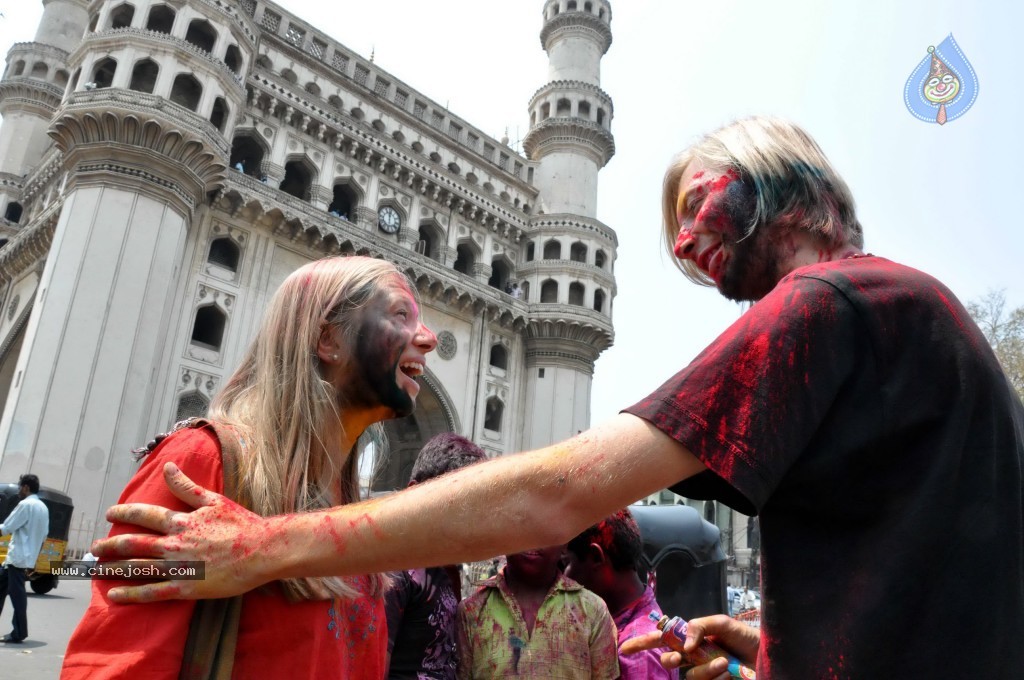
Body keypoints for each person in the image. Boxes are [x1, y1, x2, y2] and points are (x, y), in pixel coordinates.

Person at [91, 117, 1024, 679]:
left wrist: (263, 545)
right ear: (321, 335)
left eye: (700, 204)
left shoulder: (828, 303)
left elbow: (562, 492)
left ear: (782, 181)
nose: (687, 251)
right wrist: (776, 639)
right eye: (674, 235)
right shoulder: (917, 310)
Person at [61, 255, 437, 679]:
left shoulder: (348, 505)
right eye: (401, 315)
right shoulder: (198, 467)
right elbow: (117, 663)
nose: (428, 338)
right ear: (328, 340)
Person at [385, 433, 487, 680]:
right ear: (416, 493)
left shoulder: (443, 567)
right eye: (456, 506)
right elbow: (375, 664)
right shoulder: (395, 570)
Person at [456, 544, 619, 679]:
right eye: (522, 525)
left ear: (564, 545)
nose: (532, 539)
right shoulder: (472, 611)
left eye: (544, 529)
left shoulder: (592, 611)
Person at [564, 509, 678, 680]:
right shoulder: (622, 625)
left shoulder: (635, 652)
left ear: (596, 557)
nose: (562, 577)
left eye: (566, 562)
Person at [0, 474, 49, 644]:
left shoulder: (25, 504)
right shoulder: (43, 507)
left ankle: (20, 632)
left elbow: (6, 528)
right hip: (20, 560)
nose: (19, 490)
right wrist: (33, 559)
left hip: (17, 559)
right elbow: (43, 537)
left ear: (26, 487)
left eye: (20, 486)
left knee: (17, 596)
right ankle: (19, 631)